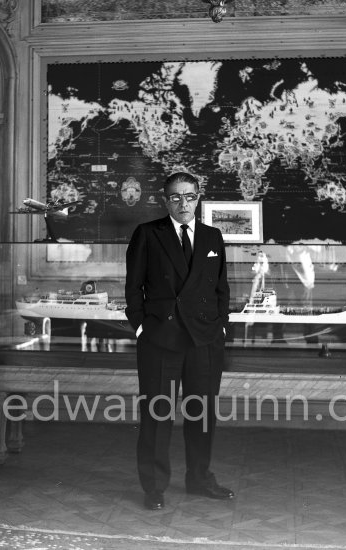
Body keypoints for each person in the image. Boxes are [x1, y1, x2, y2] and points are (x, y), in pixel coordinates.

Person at [125, 172, 234, 510]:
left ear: (199, 198)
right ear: (165, 199)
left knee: (202, 414)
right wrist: (141, 327)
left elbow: (221, 288)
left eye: (189, 196)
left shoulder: (213, 236)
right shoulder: (147, 234)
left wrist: (221, 326)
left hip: (204, 339)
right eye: (175, 197)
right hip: (161, 338)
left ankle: (199, 478)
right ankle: (154, 487)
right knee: (157, 415)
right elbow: (133, 288)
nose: (183, 203)